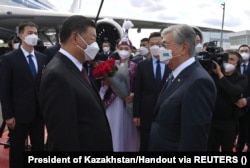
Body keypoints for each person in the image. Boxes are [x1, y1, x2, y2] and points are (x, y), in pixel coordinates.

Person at [39, 15, 113, 151]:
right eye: (93, 39)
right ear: (74, 38)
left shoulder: (76, 67)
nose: (95, 45)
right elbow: (63, 137)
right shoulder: (57, 75)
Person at [148, 24, 217, 151]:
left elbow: (193, 140)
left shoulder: (198, 82)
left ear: (184, 48)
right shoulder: (176, 74)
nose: (159, 49)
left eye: (165, 45)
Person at [0, 21, 48, 168]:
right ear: (21, 35)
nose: (34, 36)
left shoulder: (42, 58)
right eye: (30, 33)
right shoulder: (9, 59)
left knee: (38, 148)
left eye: (36, 33)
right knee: (17, 151)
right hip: (18, 115)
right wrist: (8, 115)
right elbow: (4, 89)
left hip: (38, 114)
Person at [99, 37, 140, 152]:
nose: (123, 51)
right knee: (112, 127)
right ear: (117, 49)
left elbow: (139, 85)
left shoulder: (136, 66)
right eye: (121, 48)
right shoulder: (111, 64)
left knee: (127, 130)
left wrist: (134, 95)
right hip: (112, 102)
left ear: (131, 50)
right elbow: (104, 85)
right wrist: (105, 83)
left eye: (126, 48)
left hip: (128, 103)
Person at [133, 32, 170, 151]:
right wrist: (136, 114)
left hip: (167, 110)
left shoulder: (171, 63)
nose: (155, 47)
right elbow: (138, 91)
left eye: (159, 44)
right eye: (152, 44)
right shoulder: (142, 65)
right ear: (148, 45)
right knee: (145, 144)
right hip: (146, 111)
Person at [207, 50, 247, 152]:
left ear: (237, 63)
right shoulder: (212, 75)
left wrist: (220, 74)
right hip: (212, 121)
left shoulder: (241, 78)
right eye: (226, 59)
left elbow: (234, 91)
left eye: (232, 59)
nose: (228, 61)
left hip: (230, 122)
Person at [235, 44, 250, 152]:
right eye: (241, 51)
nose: (244, 53)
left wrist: (247, 100)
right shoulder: (233, 67)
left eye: (246, 51)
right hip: (234, 105)